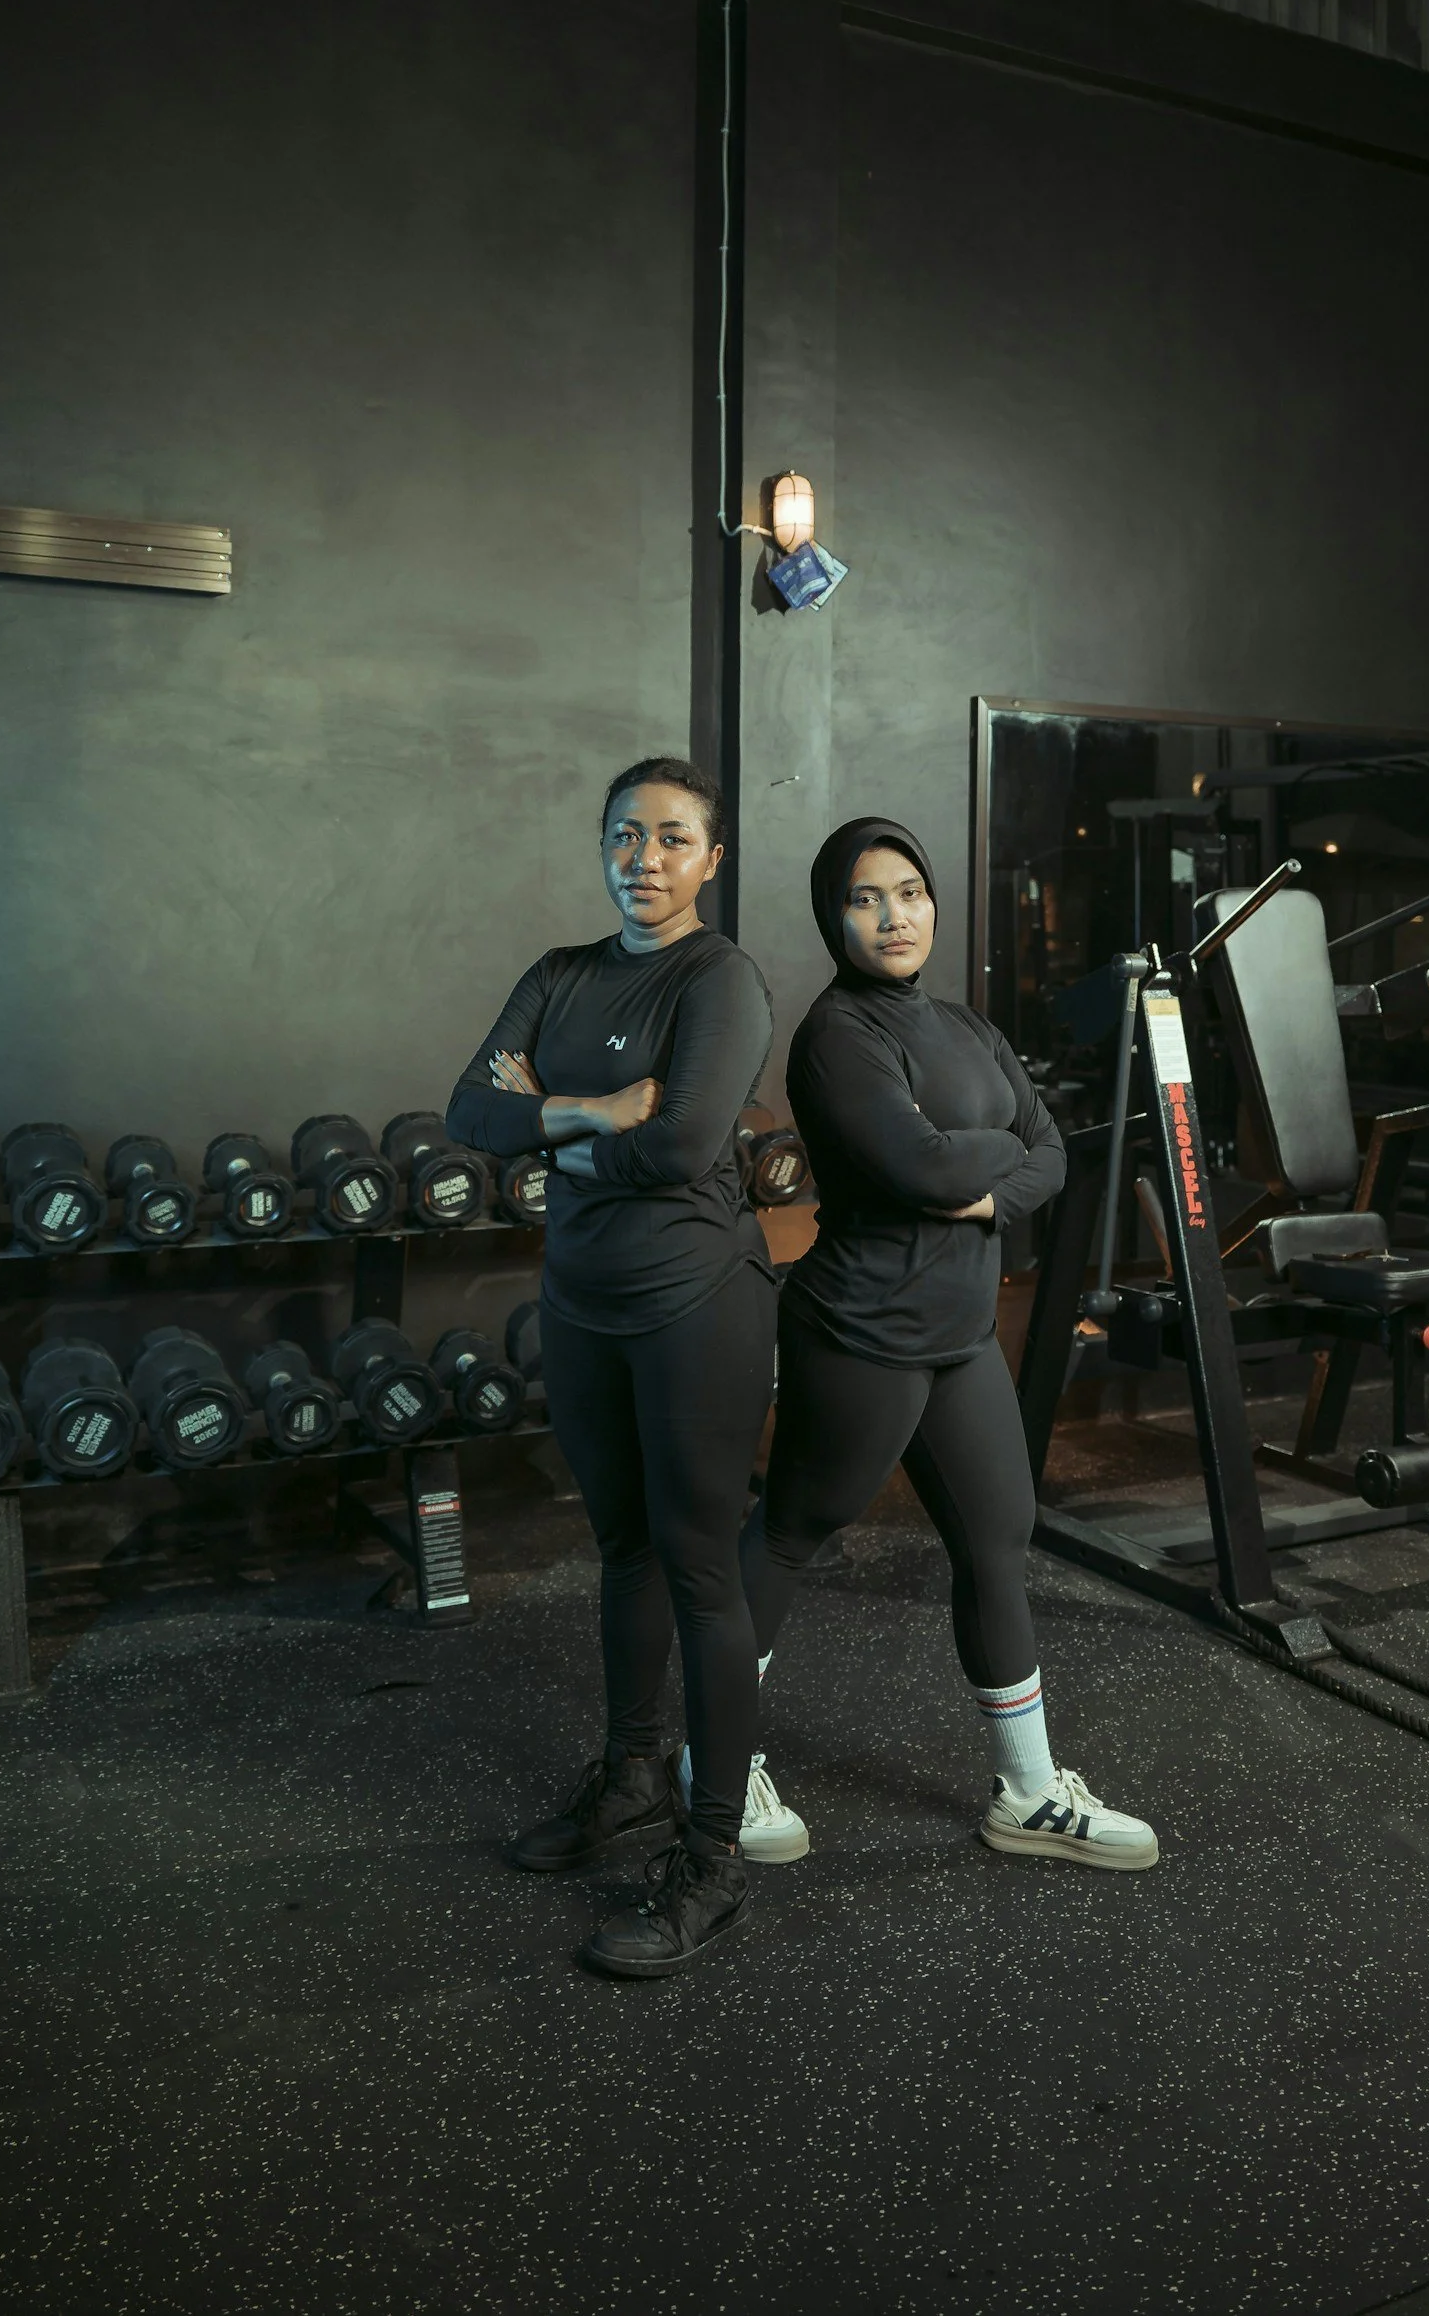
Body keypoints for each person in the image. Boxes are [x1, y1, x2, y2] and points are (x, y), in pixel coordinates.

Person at [739, 817, 1160, 1870]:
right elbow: (926, 1169)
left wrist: (982, 1172)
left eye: (909, 893)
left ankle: (1025, 1791)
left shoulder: (965, 1028)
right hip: (861, 1330)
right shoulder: (837, 1035)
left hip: (961, 1337)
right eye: (865, 898)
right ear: (834, 916)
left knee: (995, 1542)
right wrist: (983, 1166)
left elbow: (1052, 1151)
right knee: (791, 1529)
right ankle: (713, 1758)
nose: (893, 916)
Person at [446, 755, 801, 1978]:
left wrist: (550, 1114)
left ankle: (710, 1862)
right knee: (620, 1548)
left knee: (701, 1568)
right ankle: (631, 1776)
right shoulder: (560, 972)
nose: (640, 857)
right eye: (620, 834)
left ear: (709, 857)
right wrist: (598, 1115)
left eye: (667, 837)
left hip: (692, 1303)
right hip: (582, 1305)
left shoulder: (722, 979)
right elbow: (468, 1116)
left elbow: (690, 1143)